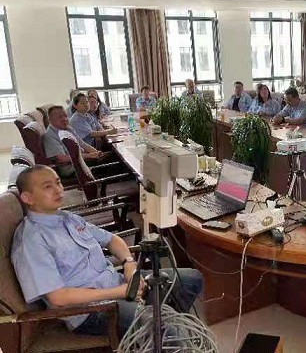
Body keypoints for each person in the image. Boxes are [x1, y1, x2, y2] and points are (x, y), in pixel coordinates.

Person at [11, 165, 203, 339]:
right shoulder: (32, 241)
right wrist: (118, 292)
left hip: (118, 284)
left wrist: (129, 265)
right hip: (92, 311)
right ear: (28, 198)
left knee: (191, 279)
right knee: (162, 325)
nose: (58, 189)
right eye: (48, 186)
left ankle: (160, 334)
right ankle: (163, 333)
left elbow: (112, 240)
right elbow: (58, 298)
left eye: (58, 182)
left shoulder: (67, 218)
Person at [43, 106, 106, 178]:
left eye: (65, 116)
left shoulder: (68, 129)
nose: (65, 119)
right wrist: (88, 156)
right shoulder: (49, 136)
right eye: (60, 117)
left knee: (107, 157)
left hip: (82, 160)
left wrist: (97, 153)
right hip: (72, 167)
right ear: (50, 120)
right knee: (111, 160)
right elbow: (62, 159)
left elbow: (82, 144)